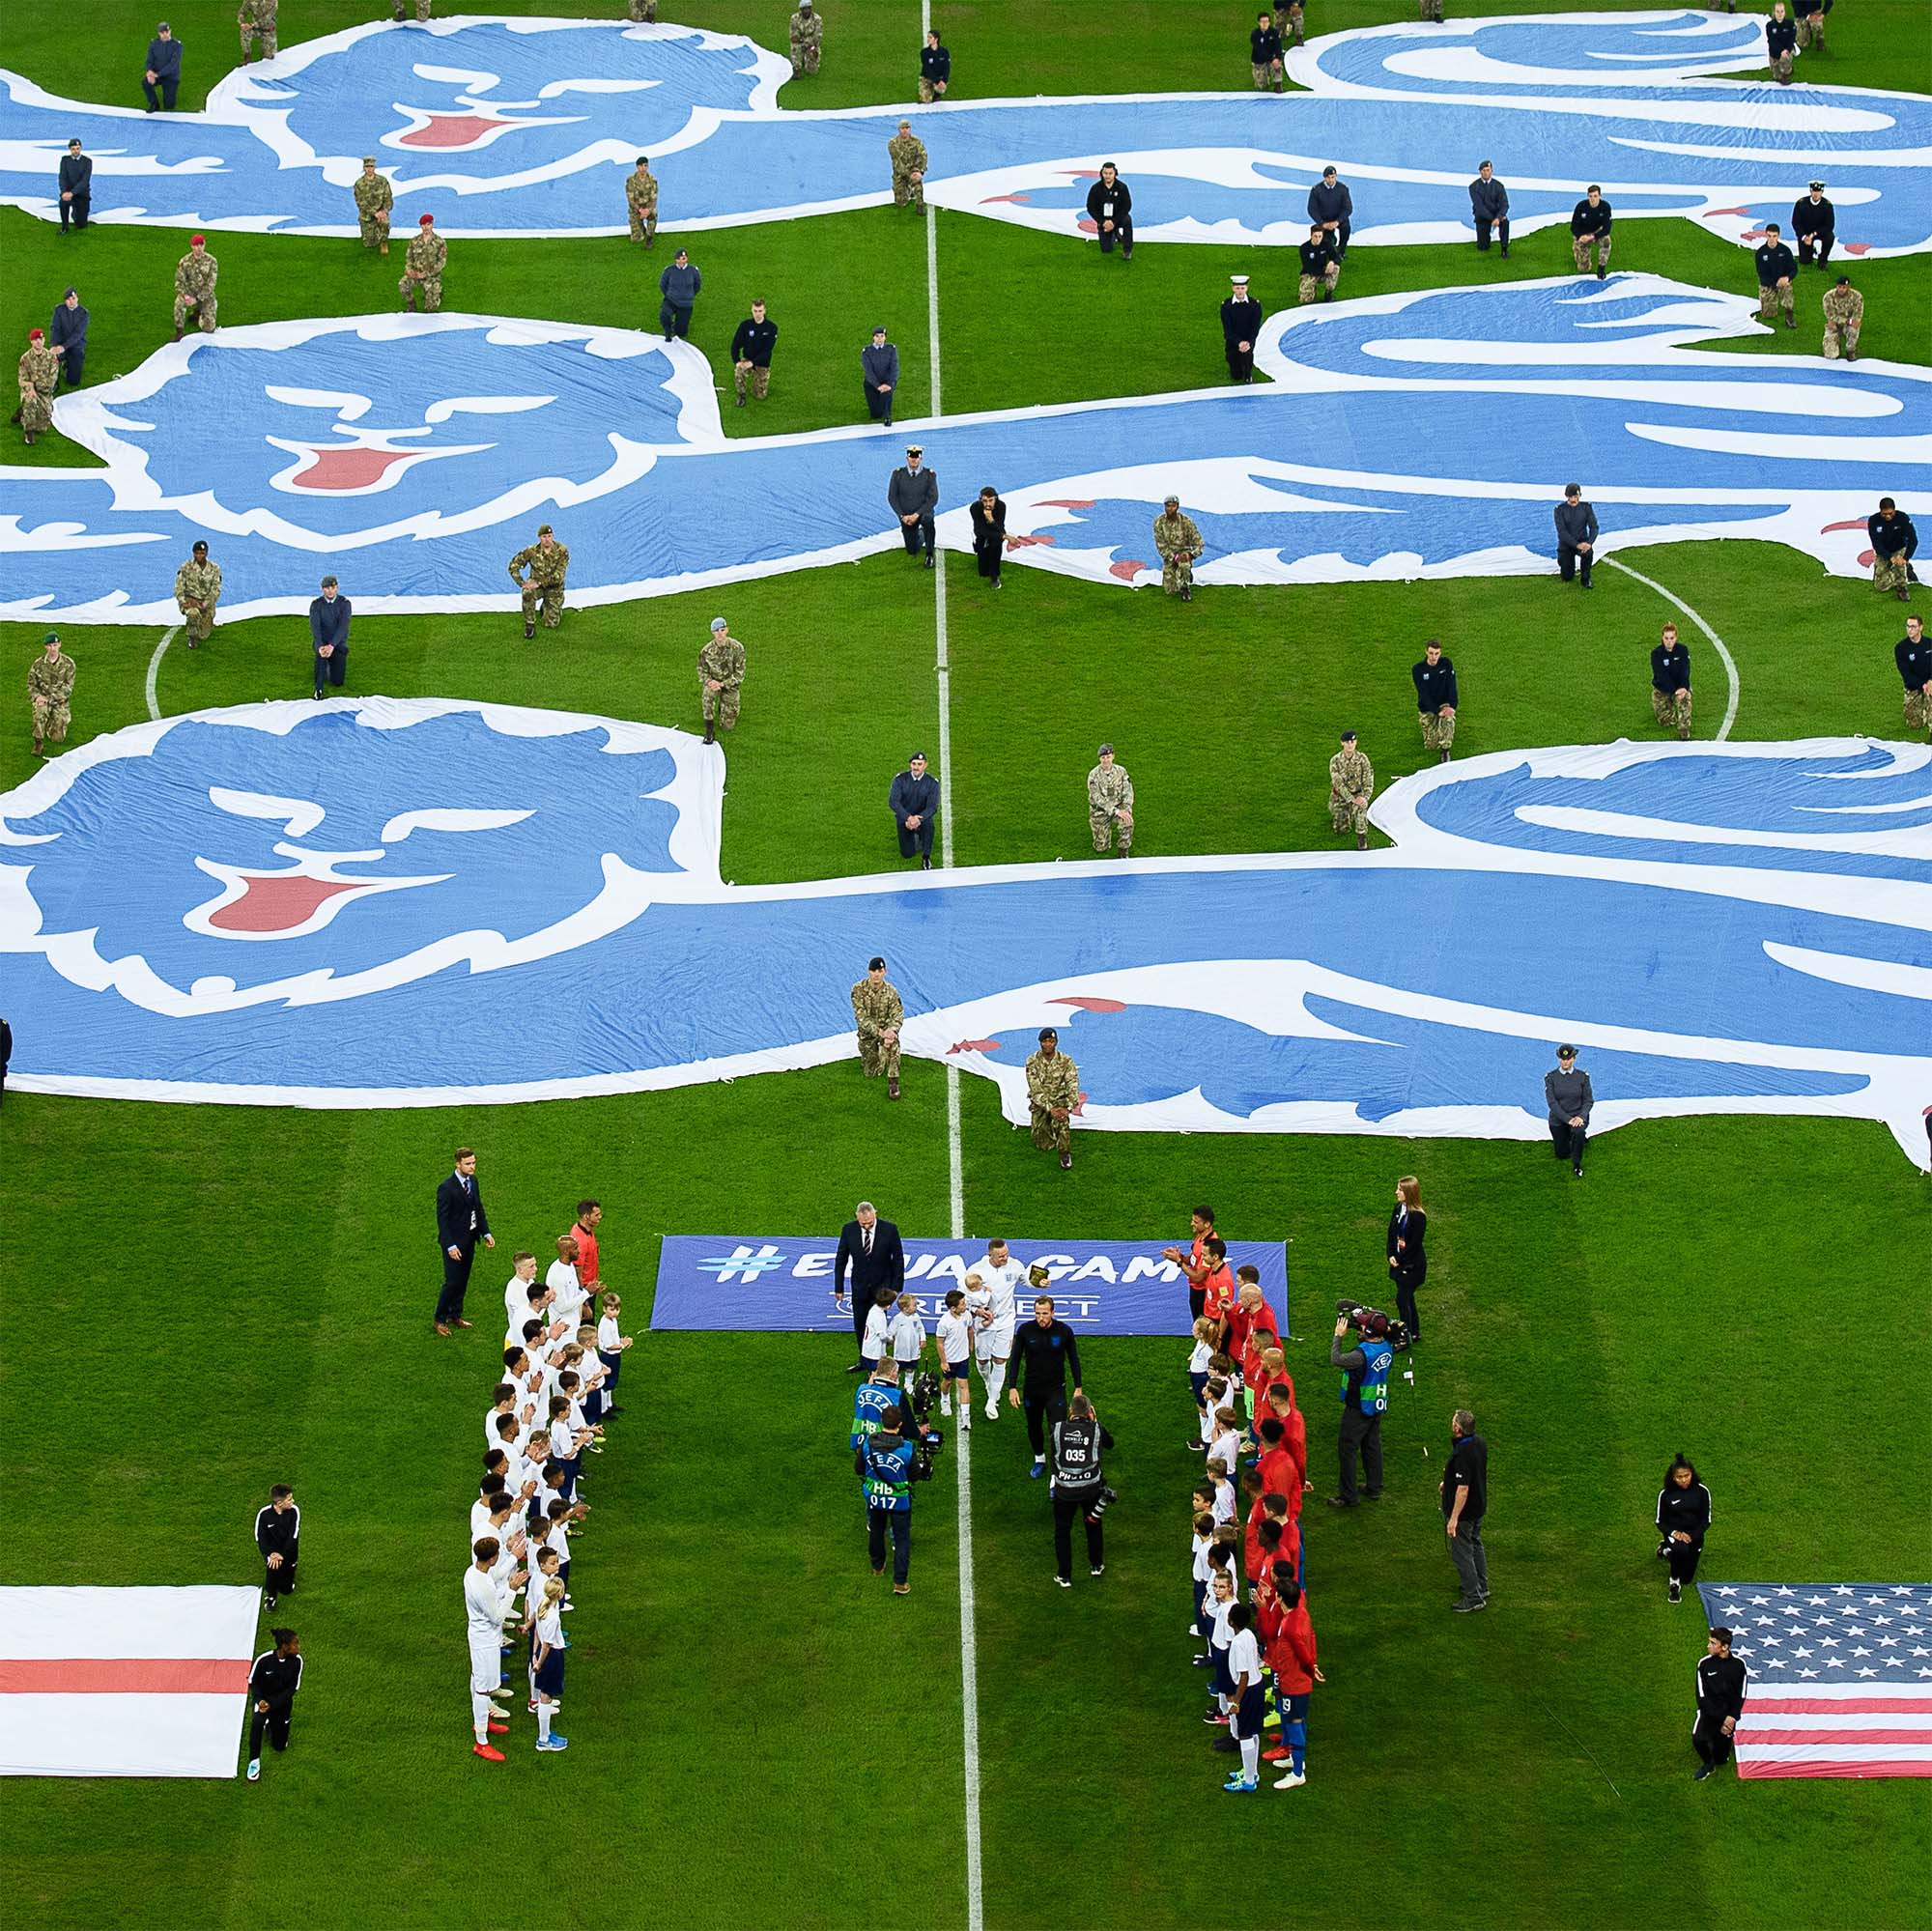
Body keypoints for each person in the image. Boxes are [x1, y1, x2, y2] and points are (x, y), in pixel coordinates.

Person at [1009, 1293, 1084, 1475]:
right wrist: (1012, 1387)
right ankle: (1039, 1458)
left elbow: (1073, 1359)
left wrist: (1078, 1386)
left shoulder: (1064, 1331)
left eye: (1044, 1313)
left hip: (1055, 1389)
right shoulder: (1025, 1330)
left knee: (1057, 1428)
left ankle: (1057, 1465)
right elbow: (1015, 1360)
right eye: (1037, 1313)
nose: (1040, 1318)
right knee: (1033, 1425)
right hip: (1032, 1389)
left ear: (1052, 1312)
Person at [1326, 1307, 1392, 1507]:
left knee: (1347, 1449)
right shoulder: (1387, 1346)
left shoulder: (1360, 1355)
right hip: (1376, 1402)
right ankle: (1374, 1486)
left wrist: (1338, 1336)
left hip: (1358, 1406)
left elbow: (1336, 1359)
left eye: (1362, 1326)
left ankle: (1348, 1496)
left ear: (1369, 1331)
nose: (1359, 1327)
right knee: (1372, 1445)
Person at [1048, 1392, 1113, 1584]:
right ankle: (1096, 1565)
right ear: (1089, 1411)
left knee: (1062, 1531)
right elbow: (1110, 1444)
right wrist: (1095, 1422)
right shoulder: (1097, 1429)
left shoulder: (1057, 1429)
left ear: (1071, 1410)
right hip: (1090, 1488)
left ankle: (1064, 1575)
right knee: (1093, 1524)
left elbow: (1055, 1453)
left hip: (1064, 1490)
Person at [1265, 1573, 1321, 1789]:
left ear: (1280, 1598)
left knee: (1294, 1723)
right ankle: (1296, 1760)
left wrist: (1311, 1667)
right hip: (1295, 1680)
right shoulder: (1301, 1614)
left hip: (1294, 1683)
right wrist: (1313, 1665)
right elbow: (1312, 1637)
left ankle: (1297, 1773)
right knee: (1298, 1720)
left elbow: (1302, 1653)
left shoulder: (1289, 1625)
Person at [834, 1202, 904, 1372]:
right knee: (860, 1325)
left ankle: (879, 1364)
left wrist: (895, 1288)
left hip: (882, 1288)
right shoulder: (849, 1230)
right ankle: (864, 1360)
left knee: (878, 1326)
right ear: (856, 1217)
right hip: (859, 1286)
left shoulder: (889, 1229)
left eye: (870, 1223)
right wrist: (839, 1287)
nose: (866, 1226)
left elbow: (898, 1259)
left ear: (875, 1214)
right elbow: (841, 1259)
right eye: (863, 1224)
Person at [856, 1403, 916, 1594]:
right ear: (900, 1424)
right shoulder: (907, 1448)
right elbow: (915, 1474)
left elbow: (858, 1469)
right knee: (902, 1539)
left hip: (875, 1497)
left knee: (876, 1530)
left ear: (882, 1421)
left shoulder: (867, 1444)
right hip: (899, 1501)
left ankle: (877, 1567)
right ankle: (900, 1582)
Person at [435, 1146, 494, 1336]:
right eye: (468, 1163)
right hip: (454, 1243)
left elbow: (478, 1208)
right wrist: (450, 1246)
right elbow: (442, 1220)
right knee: (452, 1281)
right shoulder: (446, 1188)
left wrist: (485, 1232)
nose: (472, 1167)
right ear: (458, 1164)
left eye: (474, 1163)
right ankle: (439, 1319)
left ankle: (455, 1314)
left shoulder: (473, 1181)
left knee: (463, 1280)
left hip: (469, 1239)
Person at [969, 1237, 1027, 1417]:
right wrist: (977, 1311)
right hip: (984, 1323)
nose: (1005, 1258)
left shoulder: (1015, 1265)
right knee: (982, 1360)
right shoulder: (976, 1270)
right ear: (990, 1255)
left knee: (1000, 1360)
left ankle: (992, 1401)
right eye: (1001, 1256)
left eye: (1006, 1254)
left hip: (1006, 1320)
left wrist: (1038, 1283)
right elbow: (964, 1297)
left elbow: (1026, 1280)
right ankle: (988, 1382)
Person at [465, 1538, 511, 1760]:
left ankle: (481, 1721)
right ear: (493, 1558)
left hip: (478, 1636)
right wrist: (512, 1591)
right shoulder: (482, 1585)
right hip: (485, 1641)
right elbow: (498, 1617)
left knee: (477, 1678)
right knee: (483, 1689)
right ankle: (481, 1742)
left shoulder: (472, 1572)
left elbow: (491, 1596)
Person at [1441, 1408, 1489, 1611]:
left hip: (1465, 1512)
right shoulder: (1479, 1442)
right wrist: (1448, 1483)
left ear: (1457, 1429)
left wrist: (1454, 1519)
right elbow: (1471, 1474)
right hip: (1479, 1505)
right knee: (1475, 1543)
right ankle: (1482, 1586)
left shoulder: (1462, 1452)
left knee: (1462, 1553)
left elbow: (1463, 1489)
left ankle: (1473, 1597)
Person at [244, 1630, 301, 1783]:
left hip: (282, 1704)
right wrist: (259, 1700)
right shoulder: (264, 1660)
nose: (298, 1647)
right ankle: (254, 1762)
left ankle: (271, 1726)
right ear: (284, 1646)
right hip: (263, 1703)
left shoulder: (297, 1662)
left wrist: (273, 1704)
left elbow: (292, 1689)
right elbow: (253, 1682)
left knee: (280, 1746)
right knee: (256, 1724)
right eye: (295, 1644)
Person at [1656, 1452, 1713, 1604]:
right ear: (1673, 1477)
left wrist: (1692, 1535)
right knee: (1681, 1550)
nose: (1683, 1480)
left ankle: (1665, 1550)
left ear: (1692, 1474)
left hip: (1694, 1535)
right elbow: (1660, 1521)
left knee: (1687, 1578)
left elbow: (1706, 1520)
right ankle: (1674, 1583)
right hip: (1675, 1535)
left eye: (1686, 1476)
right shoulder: (1666, 1494)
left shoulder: (1702, 1492)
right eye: (1679, 1477)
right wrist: (1674, 1533)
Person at [1692, 1628, 1748, 1780]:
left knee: (1721, 1759)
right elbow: (1701, 1696)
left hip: (1729, 1715)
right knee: (1698, 1740)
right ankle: (1708, 1765)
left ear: (1725, 1647)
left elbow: (1741, 1694)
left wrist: (1732, 1717)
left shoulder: (1739, 1665)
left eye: (1713, 1643)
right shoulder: (1704, 1664)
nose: (1708, 1646)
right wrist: (1723, 1718)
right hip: (1709, 1713)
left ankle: (1722, 1749)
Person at [1222, 1604, 1264, 1793]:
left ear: (1231, 1621)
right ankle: (1252, 1772)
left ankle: (1248, 1781)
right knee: (1253, 1731)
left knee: (1245, 1733)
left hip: (1248, 1690)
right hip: (1257, 1686)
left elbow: (1243, 1676)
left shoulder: (1238, 1642)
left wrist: (1236, 1702)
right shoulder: (1249, 1635)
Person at [1025, 1027, 1080, 1170]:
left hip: (1060, 1101)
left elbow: (1073, 1085)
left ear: (1056, 1042)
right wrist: (1051, 1109)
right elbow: (1036, 1090)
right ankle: (1047, 1126)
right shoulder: (1032, 1061)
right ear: (1040, 1042)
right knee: (1042, 1143)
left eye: (1051, 1041)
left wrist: (1068, 1108)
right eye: (1045, 1041)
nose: (1048, 1044)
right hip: (1041, 1103)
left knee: (1062, 1122)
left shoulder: (1066, 1061)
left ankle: (1064, 1153)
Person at [851, 956, 904, 1098]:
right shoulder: (858, 989)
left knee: (894, 1044)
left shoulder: (891, 992)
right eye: (874, 971)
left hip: (886, 1033)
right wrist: (881, 1033)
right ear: (869, 971)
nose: (876, 974)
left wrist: (891, 1032)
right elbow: (861, 1018)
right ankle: (881, 1055)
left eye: (880, 971)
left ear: (885, 972)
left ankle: (893, 1083)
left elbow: (897, 1015)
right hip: (868, 1036)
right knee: (872, 1072)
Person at [692, 613, 746, 744]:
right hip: (713, 682)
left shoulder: (737, 648)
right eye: (716, 631)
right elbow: (701, 670)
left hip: (730, 685)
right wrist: (710, 682)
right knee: (707, 696)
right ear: (712, 633)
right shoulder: (706, 651)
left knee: (728, 726)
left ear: (727, 630)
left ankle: (726, 708)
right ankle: (709, 729)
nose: (720, 634)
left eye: (722, 630)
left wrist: (723, 684)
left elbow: (739, 674)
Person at [508, 525, 569, 639]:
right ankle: (530, 624)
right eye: (544, 536)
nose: (547, 539)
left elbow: (559, 576)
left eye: (549, 536)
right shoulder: (531, 551)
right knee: (527, 592)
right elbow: (513, 566)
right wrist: (522, 583)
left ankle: (547, 606)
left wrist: (540, 583)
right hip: (536, 585)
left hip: (554, 588)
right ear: (539, 537)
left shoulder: (562, 550)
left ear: (553, 536)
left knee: (551, 624)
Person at [1387, 1176, 1427, 1340]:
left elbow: (1414, 1244)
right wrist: (1391, 1254)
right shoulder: (1398, 1208)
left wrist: (1399, 1259)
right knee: (1408, 1298)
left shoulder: (1418, 1217)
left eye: (1400, 1190)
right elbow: (1391, 1234)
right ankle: (1414, 1332)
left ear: (1409, 1193)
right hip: (1399, 1262)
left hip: (1412, 1266)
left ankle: (1405, 1335)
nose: (1396, 1192)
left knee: (1402, 1300)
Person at [530, 1576, 568, 1751]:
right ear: (559, 1594)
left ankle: (545, 1735)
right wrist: (539, 1663)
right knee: (546, 1695)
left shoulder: (541, 1607)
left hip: (542, 1654)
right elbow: (548, 1644)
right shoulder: (552, 1616)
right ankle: (543, 1738)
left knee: (545, 1694)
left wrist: (534, 1655)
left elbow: (537, 1633)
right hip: (551, 1656)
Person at [1163, 1205, 1217, 1322]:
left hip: (1203, 1293)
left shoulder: (1210, 1247)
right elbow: (1193, 1259)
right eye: (1192, 1220)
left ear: (1207, 1224)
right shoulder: (1200, 1236)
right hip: (1196, 1289)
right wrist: (1179, 1256)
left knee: (1203, 1326)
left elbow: (1198, 1277)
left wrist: (1179, 1261)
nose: (1192, 1224)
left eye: (1196, 1222)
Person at [1545, 1043, 1592, 1177]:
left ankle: (1577, 1164)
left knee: (1578, 1132)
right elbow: (1552, 1103)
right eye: (1562, 1059)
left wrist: (1581, 1117)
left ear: (1574, 1059)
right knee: (1562, 1154)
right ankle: (1573, 1137)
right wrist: (1568, 1120)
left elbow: (1588, 1100)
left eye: (1568, 1059)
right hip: (1559, 1119)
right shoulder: (1551, 1078)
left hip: (1577, 1118)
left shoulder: (1583, 1077)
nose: (1565, 1062)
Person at [889, 751, 939, 869]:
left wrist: (918, 819)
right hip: (904, 818)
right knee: (907, 854)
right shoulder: (900, 780)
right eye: (914, 764)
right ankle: (917, 836)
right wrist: (908, 818)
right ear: (910, 764)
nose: (916, 767)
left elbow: (932, 807)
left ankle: (926, 857)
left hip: (922, 818)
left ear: (925, 765)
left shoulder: (932, 783)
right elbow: (893, 802)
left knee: (929, 825)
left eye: (919, 764)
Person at [888, 444, 938, 566]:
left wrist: (917, 514)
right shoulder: (897, 474)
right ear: (907, 458)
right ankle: (921, 533)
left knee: (928, 520)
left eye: (916, 457)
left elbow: (933, 499)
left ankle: (929, 554)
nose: (914, 460)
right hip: (906, 515)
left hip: (923, 512)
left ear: (921, 458)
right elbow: (892, 497)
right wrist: (902, 516)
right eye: (911, 457)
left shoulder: (930, 475)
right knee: (912, 550)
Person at [28, 632, 74, 758]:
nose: (52, 649)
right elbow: (31, 684)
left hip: (59, 702)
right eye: (50, 646)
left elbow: (67, 689)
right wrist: (37, 697)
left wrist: (49, 699)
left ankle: (51, 723)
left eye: (55, 645)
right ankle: (38, 742)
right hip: (42, 701)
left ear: (60, 645)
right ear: (45, 647)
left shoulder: (69, 664)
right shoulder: (38, 664)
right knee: (40, 712)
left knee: (57, 738)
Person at [255, 1483, 300, 1609]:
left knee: (287, 1590)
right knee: (272, 1570)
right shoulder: (264, 1514)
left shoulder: (294, 1511)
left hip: (289, 1552)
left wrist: (283, 1554)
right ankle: (271, 1596)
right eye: (289, 1499)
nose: (293, 1501)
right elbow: (260, 1537)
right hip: (272, 1553)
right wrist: (271, 1554)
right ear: (280, 1503)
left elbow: (293, 1536)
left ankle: (287, 1581)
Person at [1411, 639, 1458, 761]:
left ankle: (1445, 751)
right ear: (1426, 652)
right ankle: (1437, 728)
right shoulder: (1418, 670)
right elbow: (1423, 694)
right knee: (1431, 745)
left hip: (1444, 704)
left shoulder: (1446, 664)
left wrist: (1452, 706)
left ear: (1440, 653)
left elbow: (1452, 686)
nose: (1434, 657)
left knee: (1448, 718)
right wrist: (1437, 711)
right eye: (1431, 653)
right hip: (1427, 708)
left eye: (1436, 653)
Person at [1328, 729, 1374, 851]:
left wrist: (1364, 797)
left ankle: (1362, 838)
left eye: (1352, 742)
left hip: (1358, 795)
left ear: (1356, 742)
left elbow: (1368, 781)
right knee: (1341, 830)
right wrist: (1351, 799)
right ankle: (1346, 815)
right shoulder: (1335, 761)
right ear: (1342, 743)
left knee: (1361, 809)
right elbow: (1338, 784)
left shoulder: (1363, 759)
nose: (1350, 745)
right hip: (1341, 797)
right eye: (1347, 742)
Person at [1087, 743, 1134, 856]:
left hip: (1119, 806)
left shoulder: (1121, 771)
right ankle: (1104, 836)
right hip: (1100, 811)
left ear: (1113, 756)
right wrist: (1116, 811)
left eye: (1108, 757)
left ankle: (1123, 849)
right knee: (1101, 847)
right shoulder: (1093, 775)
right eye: (1103, 757)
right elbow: (1097, 799)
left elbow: (1128, 791)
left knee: (1127, 821)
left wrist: (1126, 810)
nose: (1106, 760)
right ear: (1099, 759)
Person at [1152, 496, 1202, 601]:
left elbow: (1199, 543)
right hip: (1170, 556)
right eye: (1168, 506)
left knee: (1184, 565)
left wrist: (1190, 555)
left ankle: (1185, 585)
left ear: (1177, 506)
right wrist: (1174, 557)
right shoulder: (1159, 522)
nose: (1170, 509)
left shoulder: (1186, 521)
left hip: (1184, 554)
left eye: (1173, 506)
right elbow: (1161, 546)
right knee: (1170, 590)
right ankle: (1183, 574)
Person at [729, 298, 777, 408]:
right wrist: (737, 361)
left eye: (760, 311)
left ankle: (757, 383)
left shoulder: (771, 328)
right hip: (748, 359)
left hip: (762, 362)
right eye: (755, 311)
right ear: (751, 310)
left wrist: (753, 363)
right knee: (739, 371)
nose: (757, 314)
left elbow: (767, 351)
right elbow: (735, 344)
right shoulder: (745, 326)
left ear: (764, 311)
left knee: (759, 396)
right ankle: (741, 394)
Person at [308, 575, 350, 698]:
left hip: (338, 645)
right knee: (319, 674)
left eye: (333, 588)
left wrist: (332, 645)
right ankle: (319, 689)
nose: (330, 591)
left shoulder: (345, 603)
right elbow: (315, 628)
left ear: (337, 588)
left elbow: (343, 627)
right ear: (322, 589)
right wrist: (320, 646)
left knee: (337, 682)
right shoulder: (316, 604)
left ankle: (329, 664)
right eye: (327, 588)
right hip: (322, 643)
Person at [936, 1289, 974, 1427]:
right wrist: (943, 1362)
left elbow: (970, 1329)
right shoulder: (944, 1323)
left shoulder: (967, 1315)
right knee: (947, 1382)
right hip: (950, 1360)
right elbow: (940, 1343)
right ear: (953, 1308)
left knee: (964, 1385)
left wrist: (971, 1345)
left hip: (963, 1358)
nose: (965, 1306)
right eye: (962, 1304)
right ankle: (945, 1400)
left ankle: (965, 1416)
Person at [1868, 497, 1917, 603]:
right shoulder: (1873, 520)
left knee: (1900, 570)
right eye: (1884, 514)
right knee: (1880, 587)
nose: (1888, 516)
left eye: (1890, 513)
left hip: (1899, 549)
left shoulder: (1902, 518)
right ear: (1880, 511)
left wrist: (1905, 558)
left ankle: (1902, 585)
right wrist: (1890, 557)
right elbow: (1876, 544)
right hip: (1884, 552)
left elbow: (1913, 540)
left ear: (1894, 510)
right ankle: (1900, 570)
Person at [174, 539, 221, 647]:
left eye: (202, 553)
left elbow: (216, 589)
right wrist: (183, 601)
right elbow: (178, 587)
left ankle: (203, 622)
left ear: (206, 553)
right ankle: (192, 638)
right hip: (190, 601)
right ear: (193, 553)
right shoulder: (186, 567)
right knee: (193, 614)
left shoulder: (214, 568)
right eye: (197, 553)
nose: (199, 556)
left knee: (203, 635)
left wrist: (204, 604)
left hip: (206, 603)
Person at [15, 329, 58, 446]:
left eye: (40, 339)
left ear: (44, 340)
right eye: (35, 339)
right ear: (31, 342)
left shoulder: (52, 358)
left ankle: (23, 412)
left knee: (43, 426)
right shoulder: (25, 358)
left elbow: (51, 382)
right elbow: (22, 380)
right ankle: (28, 433)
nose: (38, 342)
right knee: (30, 400)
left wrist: (34, 385)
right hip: (29, 392)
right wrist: (30, 388)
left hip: (45, 393)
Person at [1651, 622, 1693, 739]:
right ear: (1662, 638)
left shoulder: (1683, 650)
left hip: (1680, 687)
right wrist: (1675, 691)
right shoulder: (1656, 654)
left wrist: (1683, 687)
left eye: (1672, 638)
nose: (1669, 641)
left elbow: (1685, 670)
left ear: (1676, 638)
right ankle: (1668, 711)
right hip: (1662, 689)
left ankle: (1684, 730)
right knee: (1666, 721)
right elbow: (1661, 675)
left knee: (1684, 699)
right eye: (1666, 638)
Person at [172, 235, 218, 340]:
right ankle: (179, 331)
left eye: (201, 245)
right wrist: (185, 295)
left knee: (209, 328)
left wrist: (197, 299)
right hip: (190, 292)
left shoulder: (212, 261)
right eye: (196, 245)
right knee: (179, 303)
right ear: (192, 246)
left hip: (205, 294)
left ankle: (200, 312)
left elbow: (211, 284)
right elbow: (179, 281)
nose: (199, 248)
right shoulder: (184, 261)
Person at [398, 213, 445, 313]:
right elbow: (409, 258)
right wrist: (409, 270)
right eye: (423, 225)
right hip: (416, 274)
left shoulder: (440, 242)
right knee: (402, 284)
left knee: (430, 309)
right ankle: (411, 304)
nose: (426, 227)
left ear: (432, 224)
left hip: (431, 276)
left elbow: (441, 262)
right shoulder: (414, 241)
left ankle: (437, 293)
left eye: (428, 224)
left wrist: (426, 274)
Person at [1753, 224, 1797, 330]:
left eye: (1774, 236)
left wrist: (1788, 278)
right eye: (1769, 236)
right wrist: (1775, 283)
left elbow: (1794, 269)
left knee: (1787, 289)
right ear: (1765, 235)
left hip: (1783, 282)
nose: (1772, 239)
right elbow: (1762, 275)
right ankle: (1770, 302)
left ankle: (1789, 313)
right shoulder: (1760, 253)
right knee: (1769, 315)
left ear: (1778, 236)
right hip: (1768, 284)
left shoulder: (1785, 250)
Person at [1086, 163, 1133, 260]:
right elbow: (1090, 208)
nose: (1108, 176)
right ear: (1101, 173)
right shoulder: (1095, 188)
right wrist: (1103, 222)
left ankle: (1127, 250)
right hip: (1103, 220)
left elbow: (1127, 206)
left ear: (1115, 173)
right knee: (1106, 249)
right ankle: (1115, 233)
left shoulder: (1122, 187)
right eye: (1105, 173)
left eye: (1110, 173)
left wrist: (1113, 222)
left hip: (1118, 218)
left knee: (1127, 220)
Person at [1555, 482, 1597, 589]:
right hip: (1566, 545)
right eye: (1571, 497)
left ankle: (1585, 579)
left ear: (1579, 495)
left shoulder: (1586, 507)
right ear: (1567, 496)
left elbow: (1594, 527)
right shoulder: (1559, 510)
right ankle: (1565, 563)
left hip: (1582, 541)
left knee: (1588, 553)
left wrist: (1589, 543)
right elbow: (1562, 532)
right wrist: (1577, 545)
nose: (1573, 499)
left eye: (1575, 496)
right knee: (1567, 577)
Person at [1221, 272, 1263, 383]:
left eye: (1242, 288)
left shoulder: (1254, 305)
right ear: (1233, 288)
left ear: (1246, 288)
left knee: (1247, 359)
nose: (1240, 291)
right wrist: (1239, 342)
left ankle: (1248, 372)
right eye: (1237, 288)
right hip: (1233, 343)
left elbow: (1255, 328)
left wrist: (1248, 343)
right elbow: (1228, 330)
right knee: (1236, 375)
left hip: (1248, 341)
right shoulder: (1226, 306)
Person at [1307, 164, 1352, 260]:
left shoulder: (1343, 189)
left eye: (1333, 177)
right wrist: (1322, 223)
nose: (1331, 180)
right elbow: (1311, 209)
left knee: (1346, 228)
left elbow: (1348, 208)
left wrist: (1338, 221)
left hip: (1339, 219)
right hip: (1324, 220)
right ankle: (1331, 248)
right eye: (1328, 177)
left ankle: (1341, 252)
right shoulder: (1316, 190)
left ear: (1336, 176)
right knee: (1328, 241)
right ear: (1324, 177)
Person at [1897, 613, 1931, 739]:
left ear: (1920, 627)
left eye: (1913, 626)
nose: (1910, 630)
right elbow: (1906, 674)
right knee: (1914, 724)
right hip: (1914, 687)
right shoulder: (1901, 648)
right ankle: (1923, 711)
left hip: (1930, 684)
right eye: (1908, 626)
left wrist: (1930, 681)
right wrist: (1923, 685)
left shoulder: (1930, 644)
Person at [1571, 185, 1613, 278]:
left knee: (1606, 242)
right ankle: (1578, 251)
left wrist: (1594, 236)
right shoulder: (1581, 206)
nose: (1593, 199)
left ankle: (1601, 267)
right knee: (1584, 269)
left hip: (1597, 232)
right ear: (1588, 196)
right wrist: (1580, 236)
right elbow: (1574, 226)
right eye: (1590, 196)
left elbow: (1607, 228)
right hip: (1583, 233)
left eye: (1595, 196)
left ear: (1600, 196)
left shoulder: (1605, 207)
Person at [49, 290, 87, 393]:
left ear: (77, 298)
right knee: (52, 357)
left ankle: (66, 364)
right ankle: (53, 383)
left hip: (76, 346)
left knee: (73, 382)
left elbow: (78, 334)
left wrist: (64, 347)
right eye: (68, 299)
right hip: (60, 344)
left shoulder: (84, 314)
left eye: (73, 298)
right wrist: (54, 345)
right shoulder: (59, 310)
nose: (71, 302)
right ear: (65, 301)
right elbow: (55, 328)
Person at [658, 247, 700, 339]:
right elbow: (662, 285)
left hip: (686, 304)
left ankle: (677, 326)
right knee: (664, 316)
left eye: (683, 259)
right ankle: (668, 330)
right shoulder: (669, 270)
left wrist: (689, 295)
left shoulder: (693, 271)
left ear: (687, 259)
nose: (681, 261)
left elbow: (697, 286)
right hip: (671, 301)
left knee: (681, 332)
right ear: (675, 259)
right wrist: (669, 295)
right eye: (679, 259)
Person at [969, 486, 1008, 586]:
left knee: (996, 544)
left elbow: (1000, 528)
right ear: (981, 500)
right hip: (983, 535)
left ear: (996, 499)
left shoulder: (1001, 506)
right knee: (983, 572)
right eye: (985, 501)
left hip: (996, 534)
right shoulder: (974, 508)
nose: (988, 504)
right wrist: (1002, 536)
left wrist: (991, 520)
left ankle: (995, 576)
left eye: (991, 500)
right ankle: (981, 550)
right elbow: (979, 530)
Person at [1468, 159, 1508, 256]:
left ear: (1491, 171)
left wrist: (1499, 217)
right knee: (1483, 247)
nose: (1486, 173)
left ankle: (1504, 248)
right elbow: (1479, 207)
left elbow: (1505, 204)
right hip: (1482, 217)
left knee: (1505, 222)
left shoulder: (1499, 186)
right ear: (1480, 171)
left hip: (1496, 215)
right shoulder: (1473, 187)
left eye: (1488, 170)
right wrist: (1493, 219)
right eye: (1484, 170)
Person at [354, 156, 392, 253]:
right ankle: (373, 233)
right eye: (367, 167)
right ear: (364, 168)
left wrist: (384, 211)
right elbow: (361, 203)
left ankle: (384, 241)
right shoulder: (359, 183)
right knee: (369, 243)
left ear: (374, 167)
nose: (369, 169)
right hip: (367, 216)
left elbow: (388, 198)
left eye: (371, 166)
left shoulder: (382, 181)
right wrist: (375, 213)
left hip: (381, 214)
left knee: (385, 222)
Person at [888, 120, 927, 213]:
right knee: (901, 202)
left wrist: (920, 171)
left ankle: (919, 204)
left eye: (907, 128)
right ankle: (908, 189)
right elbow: (897, 163)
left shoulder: (916, 141)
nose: (905, 130)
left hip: (914, 170)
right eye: (903, 128)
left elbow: (923, 155)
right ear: (899, 129)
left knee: (917, 183)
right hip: (900, 174)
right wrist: (909, 174)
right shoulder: (893, 143)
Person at [862, 326, 898, 426]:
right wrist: (878, 386)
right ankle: (882, 405)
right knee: (876, 414)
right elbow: (868, 372)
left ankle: (887, 416)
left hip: (886, 383)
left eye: (882, 336)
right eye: (877, 336)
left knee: (887, 395)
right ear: (873, 337)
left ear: (885, 337)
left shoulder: (891, 349)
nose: (879, 338)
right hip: (872, 385)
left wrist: (890, 384)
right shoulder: (867, 351)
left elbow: (894, 368)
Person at [1792, 181, 1834, 266]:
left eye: (1818, 191)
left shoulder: (1827, 205)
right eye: (1814, 191)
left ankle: (1823, 258)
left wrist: (1814, 234)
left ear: (1822, 192)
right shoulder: (1801, 204)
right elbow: (1796, 223)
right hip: (1805, 232)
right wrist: (1804, 237)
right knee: (1805, 261)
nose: (1816, 194)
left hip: (1820, 232)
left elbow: (1829, 225)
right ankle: (1810, 250)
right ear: (1810, 191)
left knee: (1830, 237)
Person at [143, 21, 183, 112]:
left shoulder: (177, 45)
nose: (165, 34)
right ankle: (154, 103)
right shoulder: (154, 44)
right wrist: (149, 72)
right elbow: (149, 60)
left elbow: (173, 65)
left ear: (170, 31)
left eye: (166, 32)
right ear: (159, 33)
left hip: (170, 77)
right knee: (145, 83)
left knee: (169, 105)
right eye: (162, 32)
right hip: (157, 74)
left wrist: (157, 75)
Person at [1821, 274, 1861, 362]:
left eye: (1844, 287)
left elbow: (1857, 316)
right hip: (1834, 325)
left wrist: (1852, 322)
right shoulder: (1828, 297)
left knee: (1853, 330)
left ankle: (1850, 351)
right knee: (1830, 356)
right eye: (1839, 287)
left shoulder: (1857, 297)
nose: (1841, 289)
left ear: (1848, 287)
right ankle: (1835, 345)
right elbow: (1831, 316)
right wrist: (1848, 321)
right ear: (1836, 286)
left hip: (1848, 325)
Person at [1296, 223, 1340, 304]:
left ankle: (1328, 293)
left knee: (1335, 268)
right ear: (1311, 235)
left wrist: (1332, 262)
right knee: (1306, 300)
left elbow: (1337, 256)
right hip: (1309, 274)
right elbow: (1308, 267)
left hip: (1324, 271)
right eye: (1315, 236)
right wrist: (1323, 271)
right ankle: (1310, 291)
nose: (1318, 239)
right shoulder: (1304, 248)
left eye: (1320, 236)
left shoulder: (1326, 244)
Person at [58, 139, 92, 233]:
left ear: (81, 148)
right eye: (73, 149)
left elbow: (84, 181)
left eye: (78, 148)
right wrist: (64, 192)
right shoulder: (65, 160)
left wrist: (72, 193)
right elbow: (62, 177)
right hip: (68, 193)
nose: (76, 151)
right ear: (70, 149)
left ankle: (75, 213)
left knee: (81, 224)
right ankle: (64, 227)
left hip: (82, 194)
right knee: (63, 203)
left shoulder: (87, 161)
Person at [625, 156, 658, 248]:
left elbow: (653, 198)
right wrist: (640, 210)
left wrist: (648, 210)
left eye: (645, 165)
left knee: (654, 214)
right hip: (636, 208)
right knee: (636, 239)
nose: (643, 168)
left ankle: (650, 237)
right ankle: (642, 229)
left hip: (648, 206)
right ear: (637, 167)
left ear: (648, 166)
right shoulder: (631, 179)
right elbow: (630, 199)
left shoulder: (652, 180)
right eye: (641, 166)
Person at [1250, 11, 1284, 90]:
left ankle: (1278, 84)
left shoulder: (1274, 32)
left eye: (1266, 21)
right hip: (1259, 60)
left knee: (1277, 65)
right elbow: (1260, 50)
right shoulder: (1255, 34)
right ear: (1259, 23)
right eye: (1263, 22)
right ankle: (1264, 78)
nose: (1265, 24)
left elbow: (1278, 46)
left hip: (1272, 58)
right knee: (1262, 86)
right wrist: (1271, 59)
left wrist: (1277, 58)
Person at [789, 3, 823, 79]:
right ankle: (797, 67)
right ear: (801, 10)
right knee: (795, 47)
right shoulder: (794, 18)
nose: (806, 11)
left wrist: (809, 45)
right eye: (804, 9)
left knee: (812, 71)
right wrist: (802, 42)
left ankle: (807, 60)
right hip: (799, 43)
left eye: (808, 8)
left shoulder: (817, 19)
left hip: (812, 44)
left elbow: (817, 37)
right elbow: (794, 36)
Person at [1765, 2, 1796, 83]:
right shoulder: (1769, 25)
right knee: (1776, 77)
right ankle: (1788, 69)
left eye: (1782, 11)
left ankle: (1786, 73)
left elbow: (1792, 39)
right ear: (1774, 12)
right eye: (1777, 11)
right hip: (1775, 53)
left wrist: (1787, 50)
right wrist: (1781, 50)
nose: (1780, 14)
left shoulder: (1790, 24)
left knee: (1784, 61)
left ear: (1785, 12)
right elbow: (1772, 41)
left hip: (1787, 51)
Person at [239, 0, 278, 64]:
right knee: (245, 32)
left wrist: (252, 25)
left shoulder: (272, 1)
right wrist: (242, 23)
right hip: (256, 29)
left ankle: (268, 53)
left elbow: (266, 18)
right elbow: (242, 12)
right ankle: (247, 57)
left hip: (268, 32)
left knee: (269, 60)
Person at [918, 29, 950, 102]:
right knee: (925, 101)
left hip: (939, 78)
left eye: (930, 37)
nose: (928, 39)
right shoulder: (924, 52)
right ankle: (928, 90)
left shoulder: (944, 52)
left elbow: (947, 67)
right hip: (926, 78)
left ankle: (937, 94)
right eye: (928, 37)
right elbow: (927, 69)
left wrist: (944, 81)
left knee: (941, 89)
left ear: (936, 39)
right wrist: (937, 81)